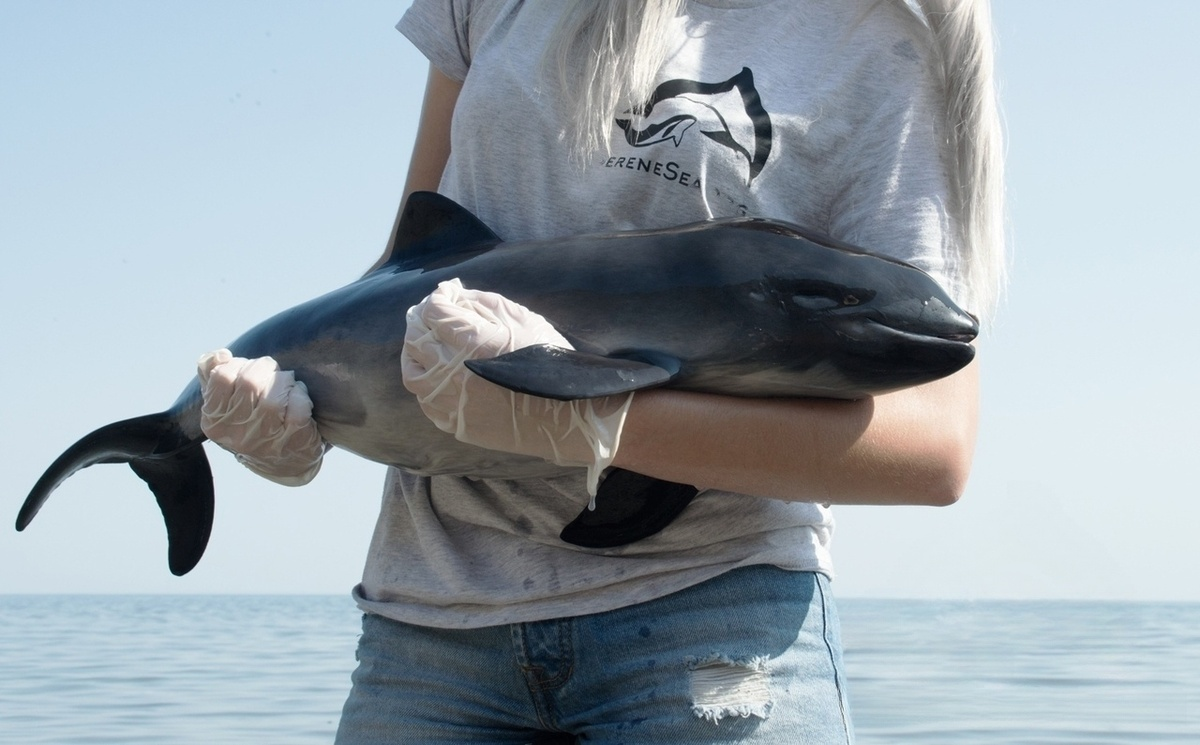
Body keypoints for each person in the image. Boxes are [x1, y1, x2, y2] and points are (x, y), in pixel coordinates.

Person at [198, 1, 1004, 742]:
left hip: (710, 622)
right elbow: (410, 269)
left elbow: (933, 447)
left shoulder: (888, 28)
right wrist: (301, 416)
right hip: (431, 625)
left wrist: (596, 422)